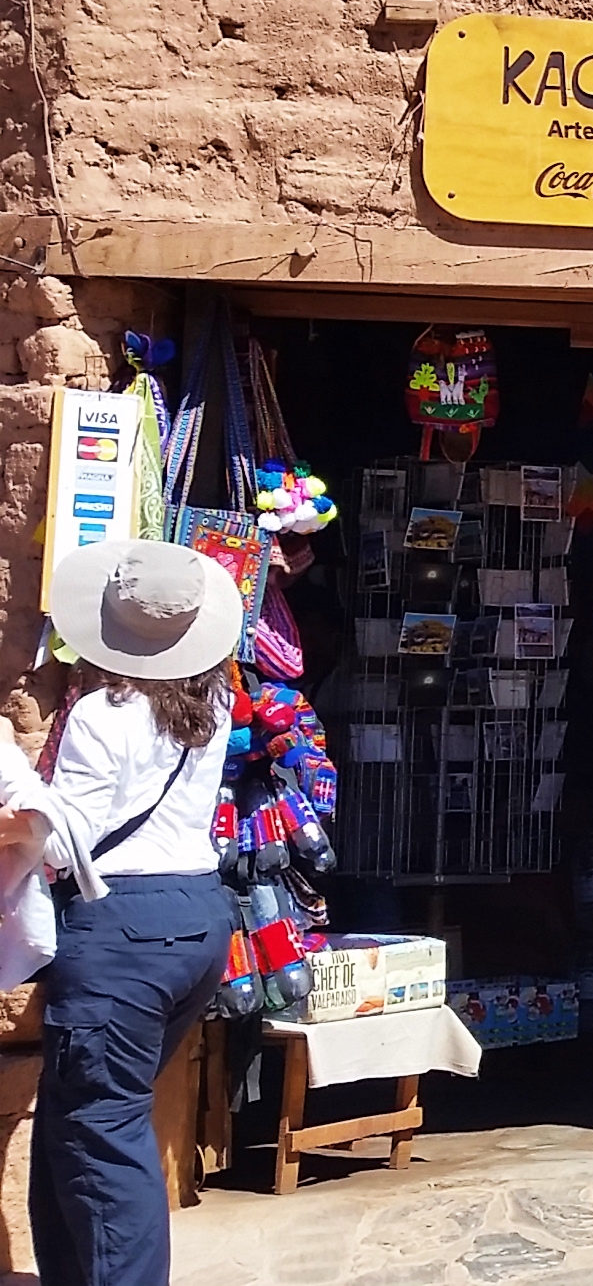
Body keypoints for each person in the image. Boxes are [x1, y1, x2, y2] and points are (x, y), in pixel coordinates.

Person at [23, 538, 239, 1286]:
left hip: (121, 929)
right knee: (80, 1117)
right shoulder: (214, 700)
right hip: (196, 917)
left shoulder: (100, 714)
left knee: (99, 1131)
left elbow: (70, 843)